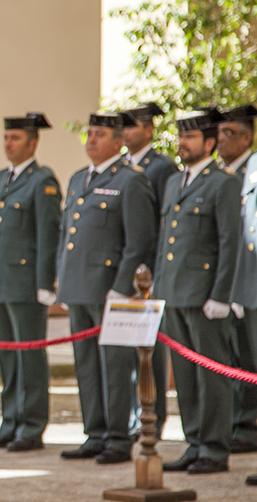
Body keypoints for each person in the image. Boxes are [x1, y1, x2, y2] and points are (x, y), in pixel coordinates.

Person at [56, 112, 156, 465]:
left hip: (110, 289)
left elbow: (140, 241)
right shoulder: (78, 178)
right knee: (86, 365)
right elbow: (67, 236)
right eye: (90, 134)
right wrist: (63, 283)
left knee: (115, 366)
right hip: (79, 288)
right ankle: (95, 433)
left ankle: (118, 436)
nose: (92, 140)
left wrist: (121, 287)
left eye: (100, 134)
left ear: (118, 142)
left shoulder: (130, 181)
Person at [155, 107, 241, 474]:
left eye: (189, 137)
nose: (182, 143)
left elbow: (230, 242)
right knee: (186, 377)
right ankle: (193, 443)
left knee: (212, 376)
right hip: (174, 292)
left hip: (205, 296)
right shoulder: (175, 181)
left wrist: (221, 295)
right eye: (180, 137)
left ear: (209, 142)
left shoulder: (223, 182)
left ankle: (214, 448)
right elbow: (166, 242)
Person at [0, 112, 61, 452]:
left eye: (15, 138)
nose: (8, 143)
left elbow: (48, 234)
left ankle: (31, 425)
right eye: (6, 138)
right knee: (8, 358)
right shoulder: (0, 179)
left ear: (33, 142)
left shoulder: (42, 180)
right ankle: (10, 421)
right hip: (0, 282)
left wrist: (46, 283)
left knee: (29, 358)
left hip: (26, 284)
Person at [121, 102, 179, 439]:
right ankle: (136, 414)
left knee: (150, 349)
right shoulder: (124, 169)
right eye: (125, 126)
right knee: (132, 349)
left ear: (150, 130)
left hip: (151, 272)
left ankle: (152, 416)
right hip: (130, 271)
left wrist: (156, 274)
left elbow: (162, 225)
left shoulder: (162, 167)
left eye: (135, 125)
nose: (128, 132)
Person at [223, 104, 257, 456]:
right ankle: (238, 422)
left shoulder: (253, 170)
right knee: (234, 358)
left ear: (247, 137)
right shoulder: (223, 174)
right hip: (228, 284)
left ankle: (247, 424)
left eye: (229, 133)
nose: (221, 140)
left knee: (249, 359)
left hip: (249, 282)